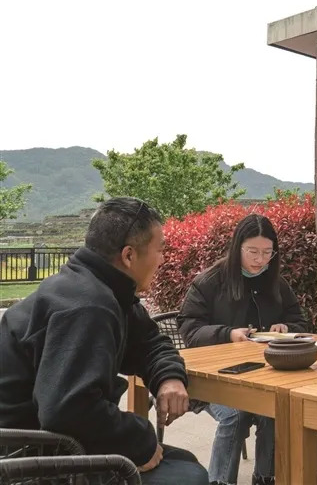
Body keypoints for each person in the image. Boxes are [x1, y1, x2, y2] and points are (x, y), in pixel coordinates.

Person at [0, 197, 208, 485]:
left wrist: (169, 377)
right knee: (187, 476)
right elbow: (68, 410)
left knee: (184, 463)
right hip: (27, 458)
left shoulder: (106, 288)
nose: (162, 260)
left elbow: (149, 341)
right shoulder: (88, 306)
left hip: (58, 442)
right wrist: (140, 440)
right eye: (160, 250)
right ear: (129, 255)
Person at [177, 214, 309, 485]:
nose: (260, 260)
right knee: (234, 415)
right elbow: (189, 329)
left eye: (267, 253)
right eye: (253, 252)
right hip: (214, 376)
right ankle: (220, 481)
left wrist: (286, 327)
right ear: (237, 247)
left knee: (276, 410)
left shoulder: (275, 282)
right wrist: (228, 334)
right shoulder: (210, 281)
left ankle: (265, 478)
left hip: (262, 375)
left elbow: (300, 321)